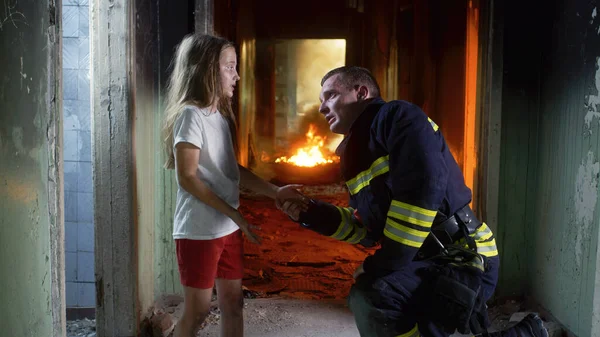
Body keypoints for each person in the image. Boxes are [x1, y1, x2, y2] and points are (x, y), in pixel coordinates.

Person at [278, 66, 548, 337]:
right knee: (381, 303)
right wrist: (309, 212)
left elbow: (421, 192)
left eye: (331, 96)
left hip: (461, 257)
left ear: (361, 92)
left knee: (373, 296)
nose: (322, 107)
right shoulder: (354, 154)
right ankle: (527, 334)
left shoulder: (397, 117)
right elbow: (365, 230)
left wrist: (382, 265)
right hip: (419, 262)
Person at [161, 33, 307, 337]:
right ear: (206, 71)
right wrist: (235, 214)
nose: (237, 76)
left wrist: (275, 191)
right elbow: (187, 177)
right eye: (229, 67)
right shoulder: (191, 115)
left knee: (233, 302)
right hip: (199, 230)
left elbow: (231, 170)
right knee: (198, 310)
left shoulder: (221, 117)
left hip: (227, 227)